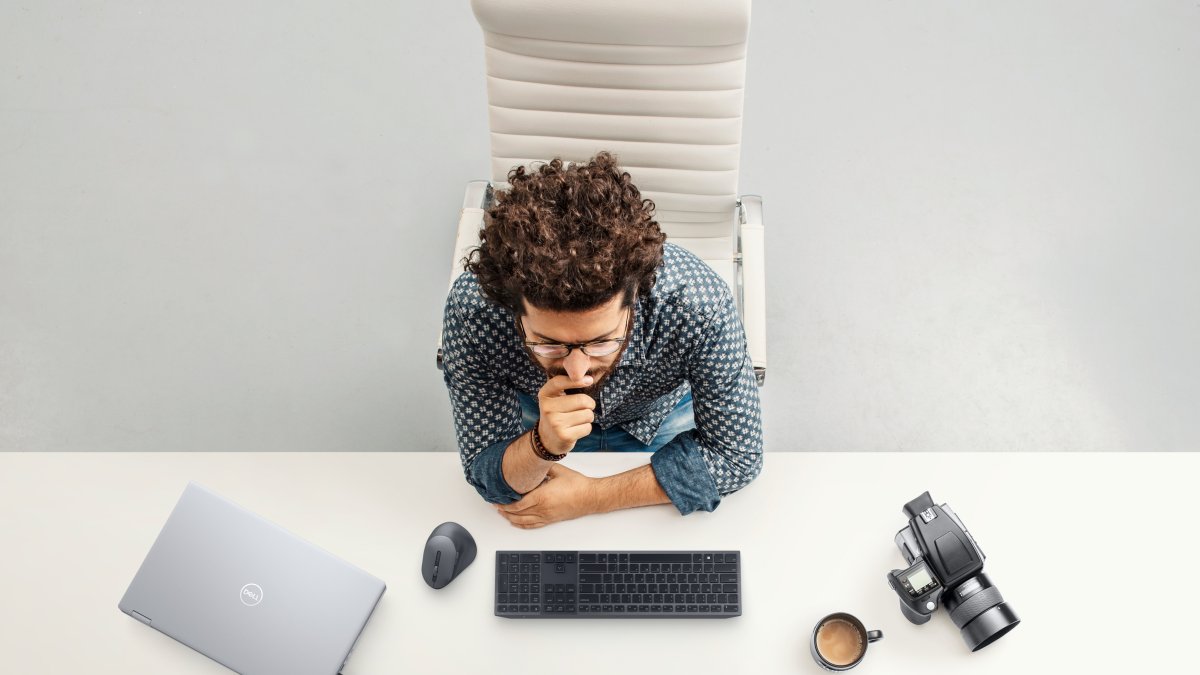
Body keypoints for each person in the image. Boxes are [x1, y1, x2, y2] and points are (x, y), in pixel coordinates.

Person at [441, 152, 762, 528]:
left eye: (601, 342)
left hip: (656, 417)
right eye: (548, 343)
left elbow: (736, 457)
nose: (578, 373)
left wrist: (592, 497)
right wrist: (542, 443)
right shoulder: (474, 310)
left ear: (636, 296)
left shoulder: (697, 302)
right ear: (512, 308)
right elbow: (488, 475)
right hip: (537, 415)